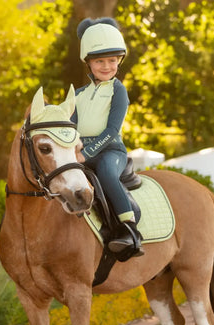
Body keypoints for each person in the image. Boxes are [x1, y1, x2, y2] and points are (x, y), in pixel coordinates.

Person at [72, 17, 143, 258]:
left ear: (119, 61)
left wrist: (86, 152)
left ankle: (129, 227)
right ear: (88, 63)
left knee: (106, 171)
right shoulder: (78, 94)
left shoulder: (117, 89)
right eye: (99, 61)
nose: (106, 66)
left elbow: (112, 130)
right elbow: (70, 128)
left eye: (112, 60)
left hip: (110, 151)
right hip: (80, 152)